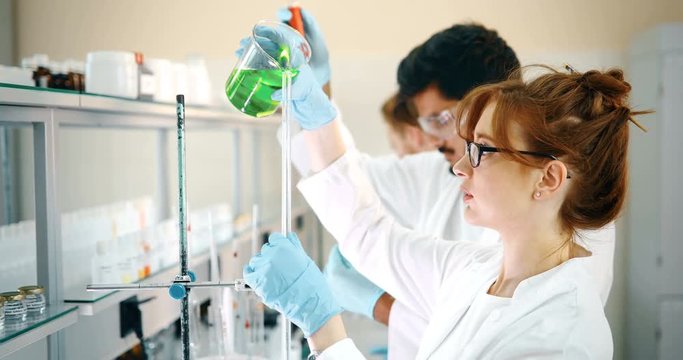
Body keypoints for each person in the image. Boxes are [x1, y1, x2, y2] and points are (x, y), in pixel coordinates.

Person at [273, 10, 616, 359]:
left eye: (482, 150)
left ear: (548, 178)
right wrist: (314, 105)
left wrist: (325, 332)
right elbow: (368, 231)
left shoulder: (562, 338)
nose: (460, 168)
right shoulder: (474, 269)